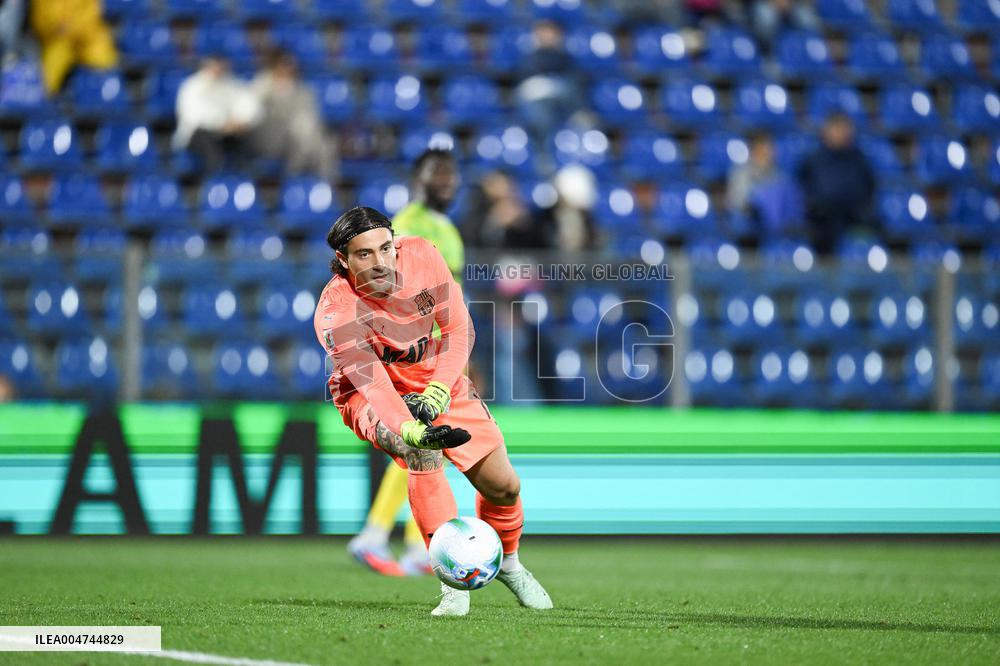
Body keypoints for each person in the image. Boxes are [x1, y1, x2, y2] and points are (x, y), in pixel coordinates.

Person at [314, 206, 553, 616]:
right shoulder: (337, 313)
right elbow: (373, 384)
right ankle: (453, 588)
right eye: (364, 254)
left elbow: (459, 329)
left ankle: (509, 564)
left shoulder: (424, 254)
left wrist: (440, 390)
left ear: (396, 242)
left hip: (439, 381)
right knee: (422, 452)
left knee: (504, 487)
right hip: (370, 396)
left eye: (385, 248)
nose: (380, 261)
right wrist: (408, 429)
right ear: (342, 260)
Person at [346, 148, 464, 577]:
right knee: (419, 440)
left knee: (423, 444)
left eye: (452, 174)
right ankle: (384, 537)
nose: (447, 181)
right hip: (416, 354)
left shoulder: (446, 228)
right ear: (419, 178)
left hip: (437, 354)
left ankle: (407, 543)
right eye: (438, 173)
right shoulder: (410, 225)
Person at [796, 113, 878, 254]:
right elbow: (801, 188)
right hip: (821, 221)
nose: (841, 133)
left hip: (853, 219)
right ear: (826, 131)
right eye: (837, 128)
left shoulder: (859, 160)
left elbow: (870, 187)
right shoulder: (814, 160)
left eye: (844, 128)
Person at [251, 50, 336, 180]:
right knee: (306, 138)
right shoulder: (262, 87)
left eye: (291, 64)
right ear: (274, 65)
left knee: (326, 145)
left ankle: (326, 188)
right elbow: (256, 117)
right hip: (272, 137)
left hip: (301, 138)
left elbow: (314, 118)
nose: (288, 68)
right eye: (284, 63)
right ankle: (291, 182)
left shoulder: (303, 90)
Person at [174, 55, 262, 173]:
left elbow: (250, 104)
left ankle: (242, 179)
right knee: (212, 151)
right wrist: (221, 124)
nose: (218, 69)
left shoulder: (230, 84)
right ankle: (214, 181)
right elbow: (194, 116)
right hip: (197, 134)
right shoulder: (192, 86)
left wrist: (241, 121)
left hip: (227, 134)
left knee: (244, 142)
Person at [29, 0, 118, 94]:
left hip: (87, 39)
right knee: (46, 80)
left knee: (105, 60)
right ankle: (47, 102)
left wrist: (71, 28)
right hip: (58, 41)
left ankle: (107, 97)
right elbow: (39, 20)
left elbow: (92, 14)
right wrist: (54, 27)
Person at [727, 132, 804, 239]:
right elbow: (740, 203)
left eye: (769, 149)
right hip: (750, 222)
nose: (768, 153)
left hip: (778, 225)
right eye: (762, 150)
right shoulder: (742, 173)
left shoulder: (780, 175)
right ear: (754, 152)